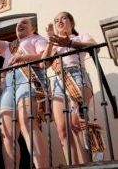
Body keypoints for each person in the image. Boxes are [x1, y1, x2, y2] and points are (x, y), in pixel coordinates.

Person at [0, 3, 48, 168]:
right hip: (8, 85)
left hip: (27, 77)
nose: (20, 25)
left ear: (33, 28)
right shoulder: (10, 45)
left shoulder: (37, 39)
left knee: (27, 123)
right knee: (7, 133)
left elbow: (44, 57)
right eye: (18, 24)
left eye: (24, 23)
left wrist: (22, 59)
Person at [41, 12, 97, 164]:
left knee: (76, 125)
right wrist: (51, 41)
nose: (59, 21)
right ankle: (73, 165)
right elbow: (43, 65)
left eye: (63, 18)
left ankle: (85, 164)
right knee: (62, 131)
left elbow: (94, 48)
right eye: (56, 19)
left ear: (72, 23)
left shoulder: (80, 37)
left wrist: (69, 43)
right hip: (59, 83)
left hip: (78, 76)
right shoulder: (53, 47)